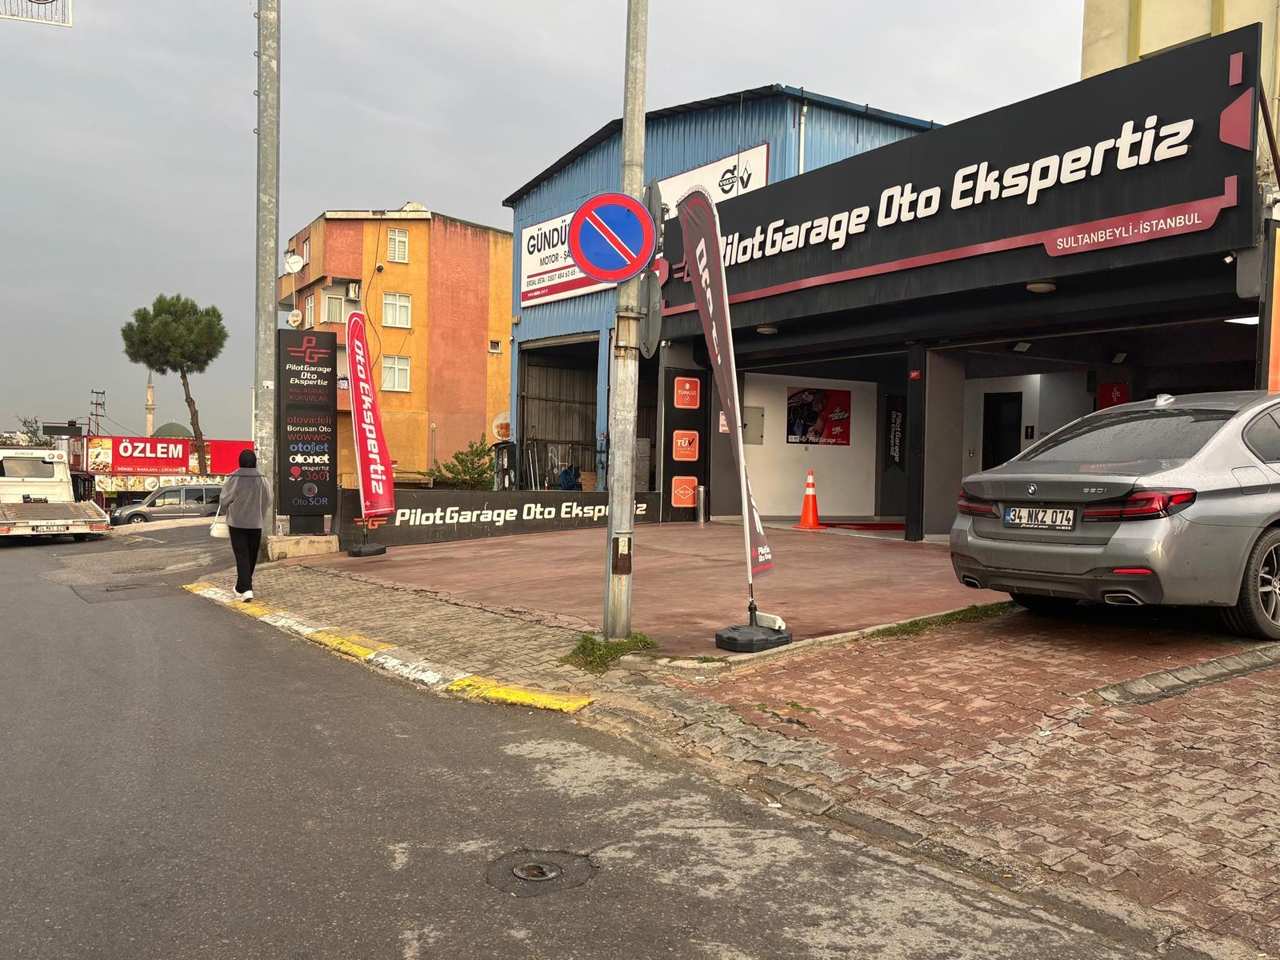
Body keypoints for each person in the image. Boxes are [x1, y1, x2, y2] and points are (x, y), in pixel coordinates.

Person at [221, 449, 272, 601]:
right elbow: (269, 499)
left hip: (237, 523)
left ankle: (247, 589)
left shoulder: (233, 477)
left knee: (242, 555)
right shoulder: (262, 478)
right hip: (256, 522)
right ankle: (240, 587)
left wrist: (230, 510)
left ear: (240, 461)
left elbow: (224, 500)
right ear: (255, 461)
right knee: (251, 556)